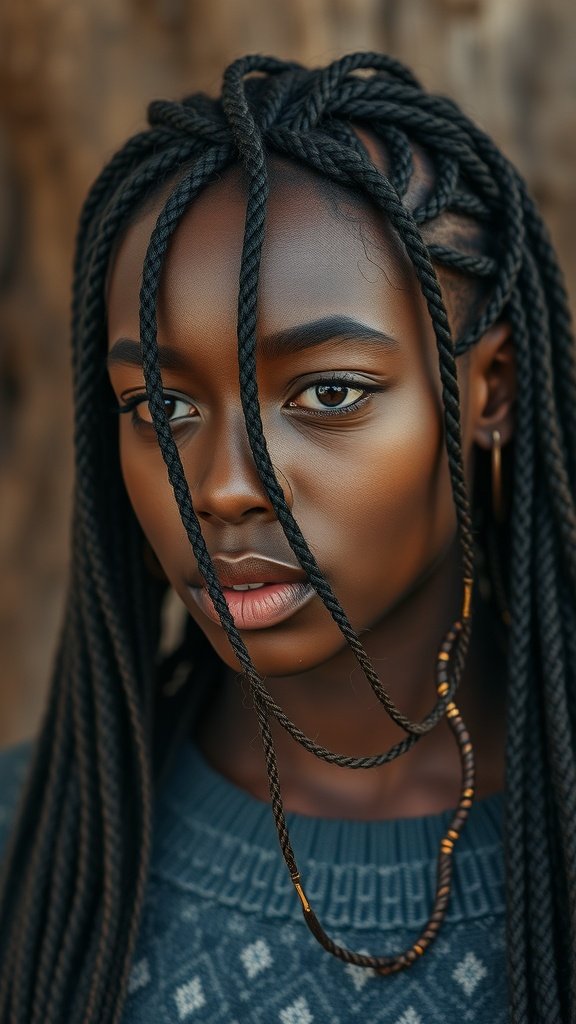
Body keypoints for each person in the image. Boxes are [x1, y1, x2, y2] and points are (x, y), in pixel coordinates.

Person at [0, 50, 574, 1024]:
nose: (224, 487)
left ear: (490, 389)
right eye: (163, 406)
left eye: (329, 393)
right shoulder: (36, 849)